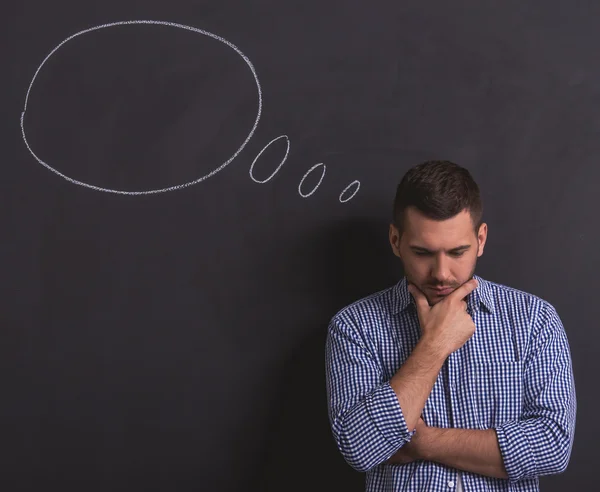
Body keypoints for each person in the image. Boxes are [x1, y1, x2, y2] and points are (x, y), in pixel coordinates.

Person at [324, 160, 576, 491]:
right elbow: (359, 447)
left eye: (457, 252)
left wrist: (425, 442)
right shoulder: (354, 326)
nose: (441, 273)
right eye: (422, 252)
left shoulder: (534, 319)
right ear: (396, 240)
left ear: (481, 239)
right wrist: (435, 345)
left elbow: (553, 446)